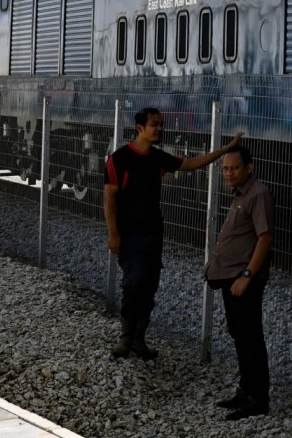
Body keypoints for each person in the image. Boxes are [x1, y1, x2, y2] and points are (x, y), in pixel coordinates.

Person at [104, 109, 246, 360]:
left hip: (153, 234)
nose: (159, 129)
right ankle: (125, 336)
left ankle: (138, 339)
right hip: (129, 236)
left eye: (161, 125)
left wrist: (224, 151)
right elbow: (109, 199)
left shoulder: (158, 158)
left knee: (149, 285)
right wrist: (114, 234)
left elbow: (189, 165)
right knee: (135, 280)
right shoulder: (119, 159)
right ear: (139, 128)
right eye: (154, 125)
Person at [202, 146, 276, 419]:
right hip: (230, 277)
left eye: (234, 168)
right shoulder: (242, 195)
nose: (228, 173)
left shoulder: (258, 194)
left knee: (250, 336)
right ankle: (246, 390)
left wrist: (247, 275)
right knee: (239, 334)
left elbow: (265, 238)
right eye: (225, 168)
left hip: (243, 278)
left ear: (250, 167)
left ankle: (258, 399)